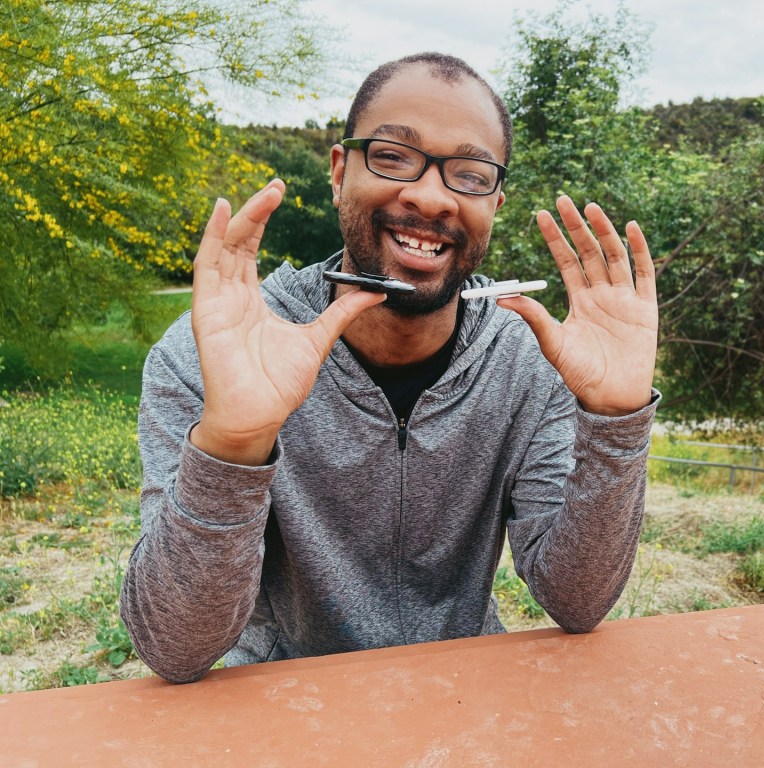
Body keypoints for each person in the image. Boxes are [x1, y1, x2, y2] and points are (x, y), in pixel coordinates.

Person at [121, 52, 660, 684]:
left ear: (495, 202)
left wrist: (615, 420)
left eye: (469, 173)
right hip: (282, 705)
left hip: (462, 696)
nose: (430, 196)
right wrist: (233, 442)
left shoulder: (532, 362)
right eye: (394, 156)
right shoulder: (214, 356)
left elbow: (578, 601)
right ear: (340, 171)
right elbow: (175, 650)